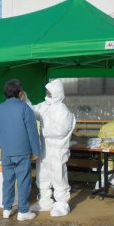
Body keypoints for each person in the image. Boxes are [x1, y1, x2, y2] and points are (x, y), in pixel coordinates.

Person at [24, 79, 76, 217]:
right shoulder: (45, 105)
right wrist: (26, 101)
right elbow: (33, 111)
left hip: (57, 149)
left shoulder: (62, 110)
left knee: (58, 176)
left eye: (50, 92)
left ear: (57, 93)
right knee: (43, 174)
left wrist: (42, 130)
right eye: (47, 91)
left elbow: (60, 130)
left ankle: (62, 204)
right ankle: (45, 200)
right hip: (45, 148)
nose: (48, 94)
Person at [0, 79, 41, 221]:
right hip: (22, 151)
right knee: (23, 181)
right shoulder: (25, 108)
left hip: (6, 151)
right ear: (20, 93)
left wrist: (3, 147)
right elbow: (32, 132)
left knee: (7, 180)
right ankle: (23, 211)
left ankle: (6, 209)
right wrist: (36, 151)